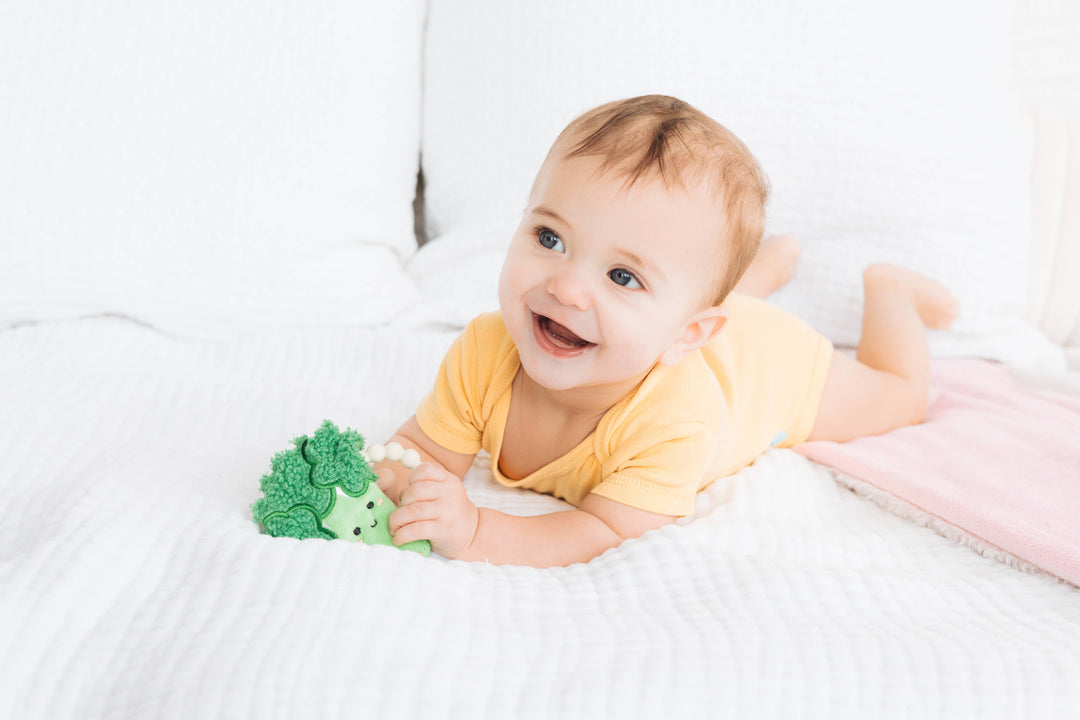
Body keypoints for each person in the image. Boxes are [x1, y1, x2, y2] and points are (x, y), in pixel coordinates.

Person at [373, 94, 959, 568]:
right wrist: (378, 480)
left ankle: (891, 292)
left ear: (691, 334)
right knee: (675, 299)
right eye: (550, 239)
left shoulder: (676, 421)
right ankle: (749, 276)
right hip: (688, 323)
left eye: (622, 276)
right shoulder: (483, 352)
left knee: (900, 397)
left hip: (766, 366)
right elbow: (420, 453)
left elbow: (602, 528)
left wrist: (476, 530)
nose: (567, 288)